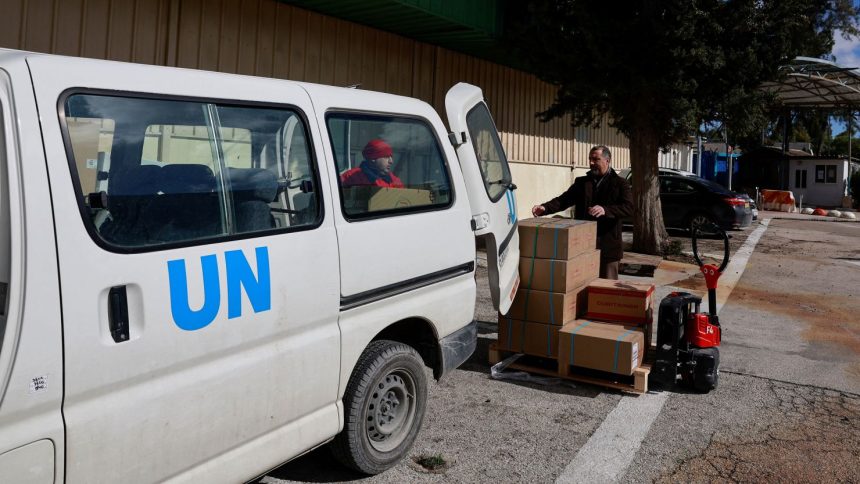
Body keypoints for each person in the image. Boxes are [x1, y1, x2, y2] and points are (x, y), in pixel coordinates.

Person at [531, 145, 633, 279]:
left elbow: (629, 208)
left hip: (608, 247)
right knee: (581, 286)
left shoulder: (620, 183)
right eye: (590, 159)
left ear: (607, 161)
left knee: (606, 289)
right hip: (583, 245)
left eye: (595, 159)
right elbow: (564, 200)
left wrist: (606, 210)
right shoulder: (582, 183)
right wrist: (545, 208)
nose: (591, 163)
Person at [340, 139, 404, 188]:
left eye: (391, 157)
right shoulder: (350, 177)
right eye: (386, 157)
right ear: (373, 158)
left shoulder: (394, 180)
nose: (391, 161)